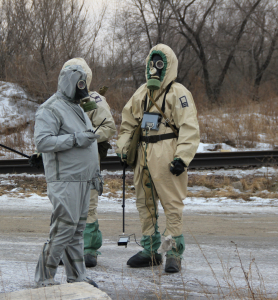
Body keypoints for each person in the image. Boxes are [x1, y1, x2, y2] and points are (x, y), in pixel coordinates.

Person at [116, 44, 200, 273]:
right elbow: (127, 124)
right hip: (143, 153)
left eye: (160, 63)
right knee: (145, 203)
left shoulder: (178, 93)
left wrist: (182, 158)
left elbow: (189, 127)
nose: (156, 68)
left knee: (171, 203)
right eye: (152, 63)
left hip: (167, 151)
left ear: (169, 65)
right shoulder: (141, 93)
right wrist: (123, 148)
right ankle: (150, 251)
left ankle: (173, 251)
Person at [33, 63, 101, 287]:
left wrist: (95, 174)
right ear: (70, 82)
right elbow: (42, 141)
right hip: (65, 180)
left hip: (82, 179)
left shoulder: (78, 108)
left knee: (77, 230)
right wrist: (74, 139)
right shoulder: (50, 109)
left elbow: (88, 142)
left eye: (85, 84)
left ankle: (77, 277)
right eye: (80, 83)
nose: (83, 88)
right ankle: (44, 278)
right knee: (63, 228)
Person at [62, 58, 116, 268]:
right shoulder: (59, 103)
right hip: (66, 163)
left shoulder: (94, 100)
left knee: (88, 205)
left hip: (88, 161)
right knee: (66, 206)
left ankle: (89, 248)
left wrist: (86, 137)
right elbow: (48, 130)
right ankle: (65, 248)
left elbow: (108, 127)